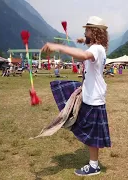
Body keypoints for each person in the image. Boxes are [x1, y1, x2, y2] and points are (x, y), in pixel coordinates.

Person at [41, 16, 111, 176]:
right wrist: (83, 39)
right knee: (89, 130)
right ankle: (94, 164)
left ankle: (94, 166)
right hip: (90, 94)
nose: (84, 32)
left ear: (94, 32)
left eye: (87, 30)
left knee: (91, 134)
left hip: (94, 98)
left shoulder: (96, 49)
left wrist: (58, 47)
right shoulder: (98, 47)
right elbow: (88, 49)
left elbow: (84, 55)